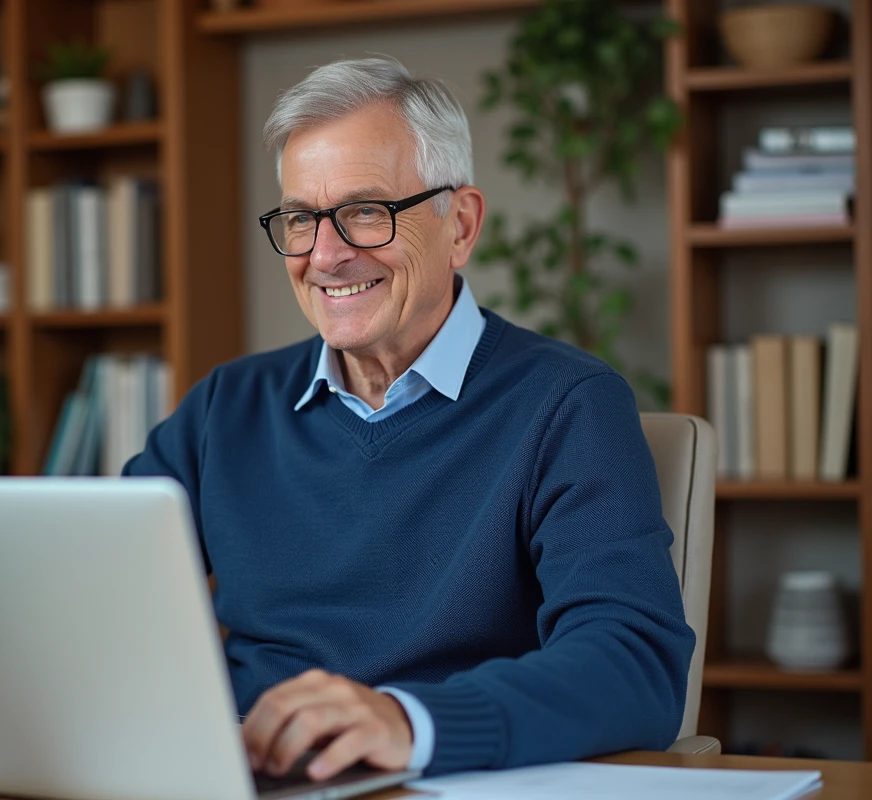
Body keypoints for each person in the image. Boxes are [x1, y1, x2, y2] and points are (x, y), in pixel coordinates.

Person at [123, 56, 694, 781]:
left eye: (366, 212)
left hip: (441, 777)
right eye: (301, 219)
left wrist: (409, 722)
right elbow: (90, 592)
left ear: (460, 225)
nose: (325, 255)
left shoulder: (569, 405)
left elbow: (635, 664)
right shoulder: (224, 407)